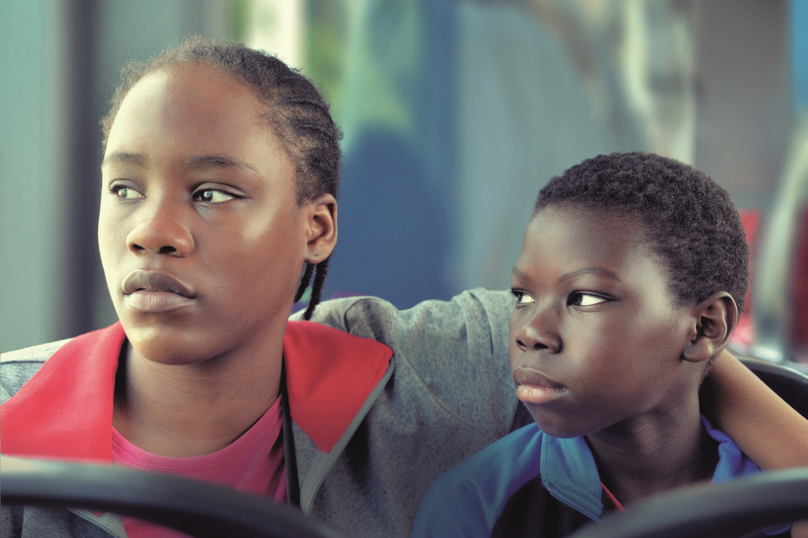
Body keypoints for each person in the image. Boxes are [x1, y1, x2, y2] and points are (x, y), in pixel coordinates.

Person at [1, 39, 806, 538]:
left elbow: (660, 355)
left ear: (316, 228)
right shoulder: (12, 429)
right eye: (124, 190)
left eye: (213, 193)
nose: (151, 231)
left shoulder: (427, 372)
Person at [411, 152, 805, 537]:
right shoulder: (474, 507)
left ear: (704, 327)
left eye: (585, 298)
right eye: (523, 297)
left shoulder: (786, 487)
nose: (529, 332)